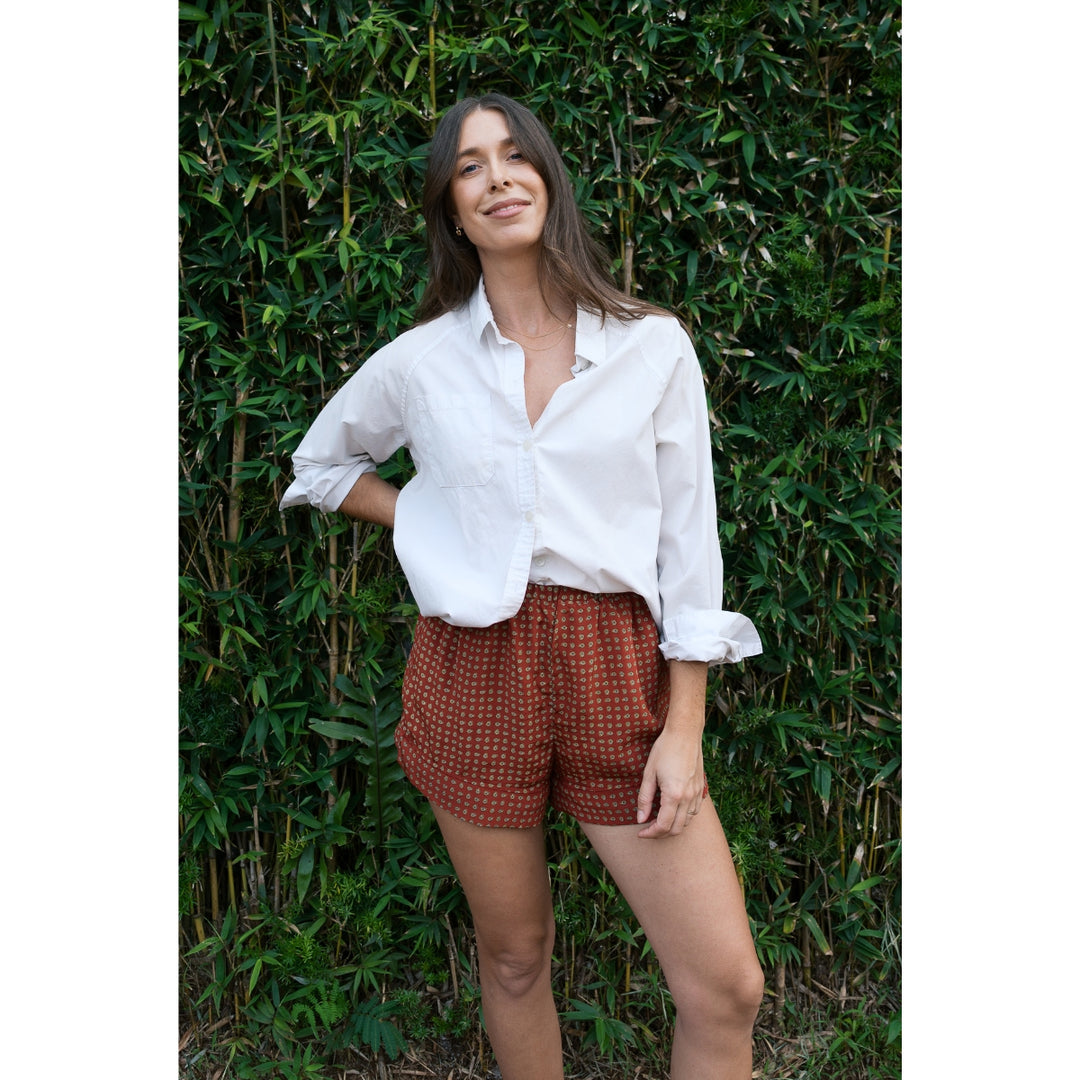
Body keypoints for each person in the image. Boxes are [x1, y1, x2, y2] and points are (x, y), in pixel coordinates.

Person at [280, 92, 764, 1080]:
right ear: (451, 210)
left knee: (726, 985)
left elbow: (690, 548)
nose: (497, 177)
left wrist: (685, 729)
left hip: (615, 670)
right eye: (469, 166)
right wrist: (427, 514)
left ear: (548, 179)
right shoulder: (421, 365)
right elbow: (320, 468)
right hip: (474, 668)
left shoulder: (651, 347)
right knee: (513, 957)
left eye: (514, 157)